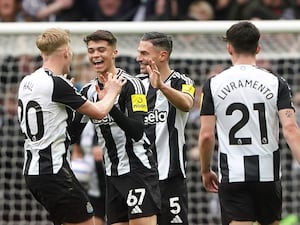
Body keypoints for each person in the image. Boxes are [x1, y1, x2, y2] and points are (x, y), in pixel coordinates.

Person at [17, 28, 125, 225]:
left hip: (32, 171)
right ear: (67, 52)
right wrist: (113, 91)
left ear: (43, 53)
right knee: (88, 221)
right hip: (53, 171)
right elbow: (100, 111)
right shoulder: (57, 84)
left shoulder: (27, 81)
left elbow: (56, 120)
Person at [198, 21, 300, 225]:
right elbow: (290, 128)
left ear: (229, 48)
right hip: (268, 174)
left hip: (233, 173)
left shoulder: (213, 84)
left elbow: (207, 135)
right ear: (258, 47)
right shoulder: (276, 82)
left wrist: (205, 169)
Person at [69, 30, 161, 225]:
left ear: (114, 52)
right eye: (91, 50)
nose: (96, 55)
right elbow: (73, 133)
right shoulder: (87, 91)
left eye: (101, 49)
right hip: (111, 174)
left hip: (137, 171)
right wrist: (66, 103)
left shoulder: (132, 85)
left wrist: (109, 106)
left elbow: (137, 131)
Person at [136, 32, 195, 225]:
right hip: (140, 176)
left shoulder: (182, 82)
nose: (139, 58)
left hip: (171, 176)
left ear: (162, 55)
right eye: (139, 53)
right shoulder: (135, 85)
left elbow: (187, 103)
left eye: (144, 53)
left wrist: (161, 86)